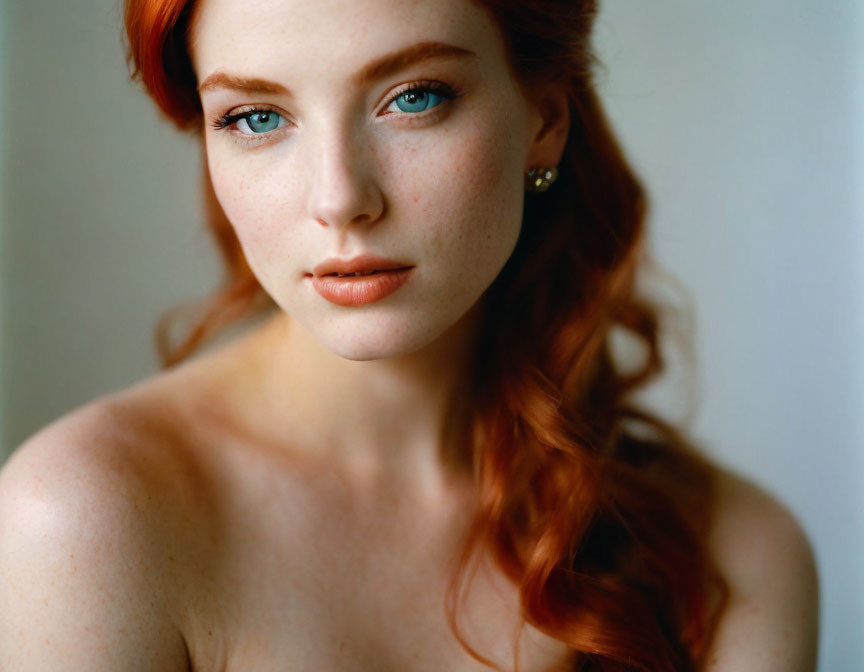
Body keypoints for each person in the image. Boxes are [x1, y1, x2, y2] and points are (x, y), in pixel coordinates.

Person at [0, 0, 819, 669]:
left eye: (414, 97)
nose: (340, 198)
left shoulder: (734, 561)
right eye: (255, 117)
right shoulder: (83, 524)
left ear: (543, 116)